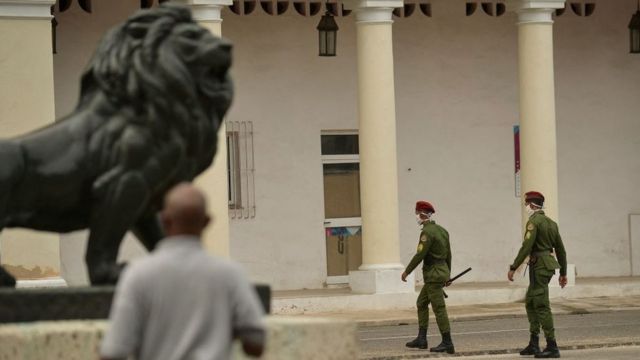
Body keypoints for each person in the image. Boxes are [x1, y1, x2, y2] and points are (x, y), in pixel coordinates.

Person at [100, 183, 265, 360]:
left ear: (164, 220)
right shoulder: (230, 274)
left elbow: (114, 352)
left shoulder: (138, 274)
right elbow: (256, 343)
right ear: (207, 221)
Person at [508, 191, 567, 359]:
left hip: (540, 267)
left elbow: (526, 246)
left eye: (527, 204)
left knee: (541, 305)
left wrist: (514, 267)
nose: (526, 207)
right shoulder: (551, 223)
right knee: (531, 301)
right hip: (544, 267)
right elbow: (561, 250)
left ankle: (552, 346)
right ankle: (534, 343)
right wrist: (563, 272)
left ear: (533, 206)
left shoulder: (534, 222)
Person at [401, 201, 454, 354]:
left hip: (433, 275)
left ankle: (447, 342)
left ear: (422, 214)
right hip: (441, 272)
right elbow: (449, 255)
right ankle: (422, 339)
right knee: (421, 303)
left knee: (439, 308)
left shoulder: (427, 232)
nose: (416, 216)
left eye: (417, 213)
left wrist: (407, 271)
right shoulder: (442, 231)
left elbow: (420, 255)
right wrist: (447, 274)